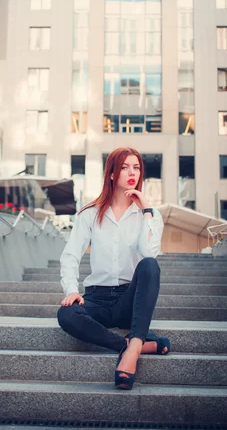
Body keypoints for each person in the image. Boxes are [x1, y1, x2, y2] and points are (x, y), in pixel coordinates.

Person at [57, 147, 170, 391]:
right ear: (111, 173)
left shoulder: (150, 214)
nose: (132, 173)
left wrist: (146, 211)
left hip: (129, 300)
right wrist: (70, 290)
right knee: (66, 314)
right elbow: (70, 255)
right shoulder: (90, 213)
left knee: (150, 265)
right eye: (125, 167)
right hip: (96, 298)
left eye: (136, 167)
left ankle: (131, 352)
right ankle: (133, 345)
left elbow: (149, 253)